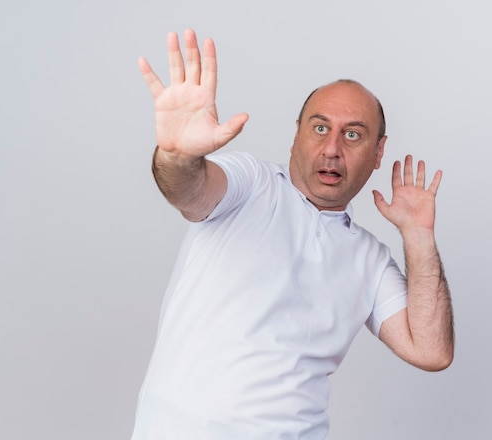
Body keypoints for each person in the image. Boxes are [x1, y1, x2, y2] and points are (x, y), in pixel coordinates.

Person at [132, 29, 454, 440]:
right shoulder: (252, 184)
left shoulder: (370, 261)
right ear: (297, 134)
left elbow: (431, 350)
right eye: (320, 128)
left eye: (353, 134)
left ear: (378, 153)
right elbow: (189, 191)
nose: (333, 148)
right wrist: (178, 155)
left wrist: (419, 237)